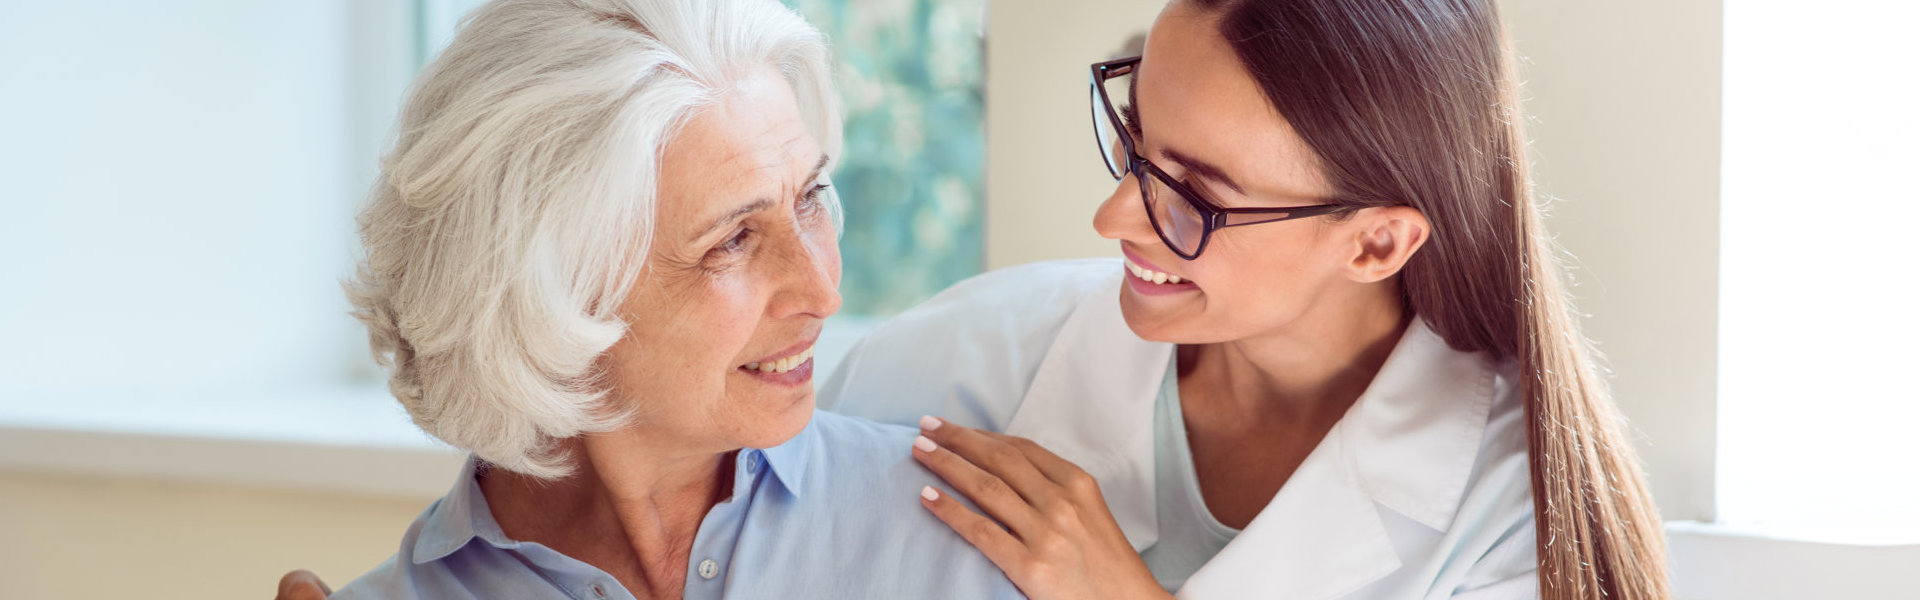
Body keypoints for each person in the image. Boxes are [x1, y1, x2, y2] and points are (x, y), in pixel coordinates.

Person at [826, 0, 1672, 598]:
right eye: (1136, 143)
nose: (1115, 217)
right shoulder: (959, 357)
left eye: (1195, 194)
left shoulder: (1512, 520)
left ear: (1374, 243)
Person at [309, 0, 1023, 597]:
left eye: (809, 198)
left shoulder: (967, 537)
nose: (821, 290)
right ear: (553, 293)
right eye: (733, 240)